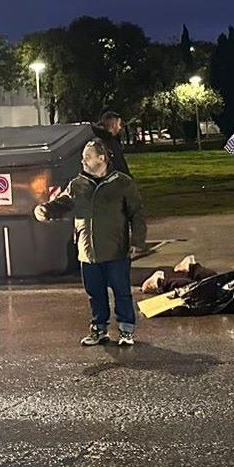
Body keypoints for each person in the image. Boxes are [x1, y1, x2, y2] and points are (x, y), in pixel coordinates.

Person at [34, 138, 146, 346]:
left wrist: (138, 241)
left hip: (116, 250)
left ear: (101, 158)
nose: (83, 161)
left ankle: (126, 330)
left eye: (87, 157)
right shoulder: (77, 185)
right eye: (83, 157)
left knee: (121, 291)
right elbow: (63, 203)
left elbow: (137, 213)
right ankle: (99, 329)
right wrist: (46, 210)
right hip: (87, 252)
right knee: (94, 293)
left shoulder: (122, 183)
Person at [93, 110, 132, 176]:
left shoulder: (108, 140)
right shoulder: (108, 143)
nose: (120, 128)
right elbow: (119, 166)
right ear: (113, 124)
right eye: (119, 124)